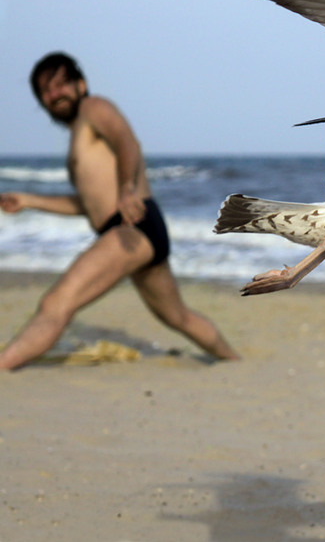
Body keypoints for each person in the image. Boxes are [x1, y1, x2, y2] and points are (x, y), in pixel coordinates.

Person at [0, 52, 240, 370]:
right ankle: (234, 361)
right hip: (136, 229)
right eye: (45, 91)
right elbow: (89, 206)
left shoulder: (93, 107)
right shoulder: (79, 137)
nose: (53, 94)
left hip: (131, 227)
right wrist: (29, 200)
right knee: (177, 316)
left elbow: (128, 142)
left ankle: (4, 364)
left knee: (56, 304)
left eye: (60, 85)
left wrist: (126, 187)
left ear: (80, 84)